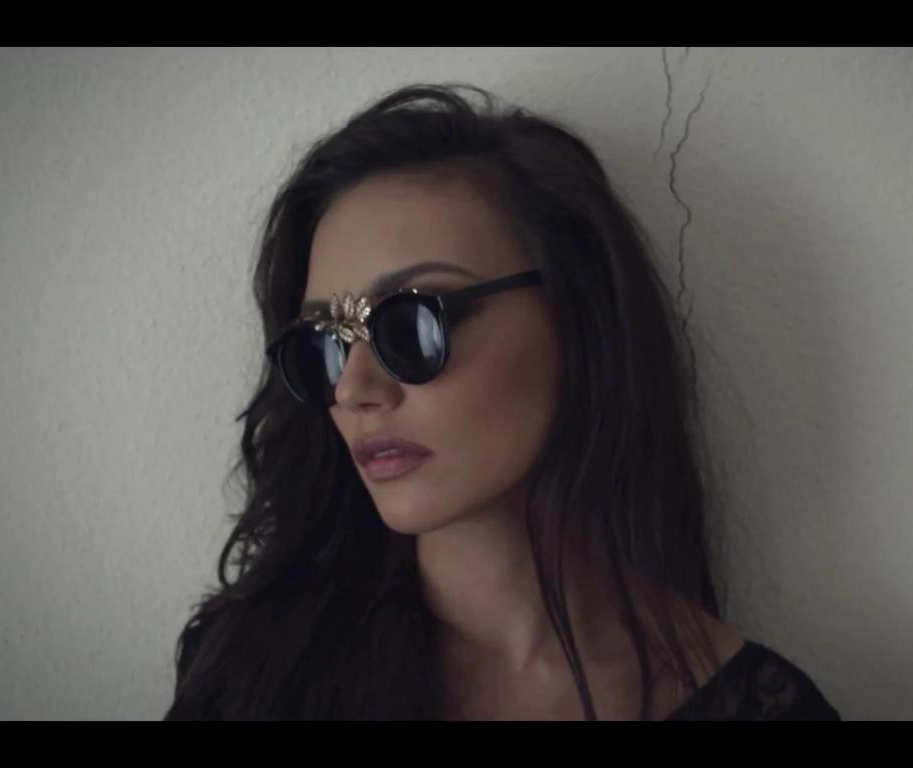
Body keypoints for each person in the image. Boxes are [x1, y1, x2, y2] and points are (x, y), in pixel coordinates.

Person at [164, 82, 840, 721]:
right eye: (327, 341)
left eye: (413, 323)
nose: (353, 390)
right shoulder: (250, 670)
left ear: (580, 319)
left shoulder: (759, 704)